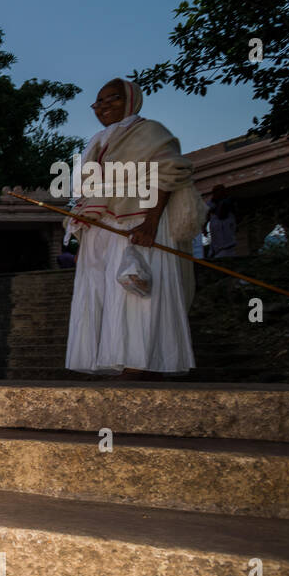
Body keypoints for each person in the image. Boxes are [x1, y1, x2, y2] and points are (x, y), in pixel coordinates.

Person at [64, 77, 207, 378]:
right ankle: (120, 365)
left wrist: (151, 222)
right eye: (98, 102)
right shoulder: (97, 141)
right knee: (105, 294)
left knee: (136, 292)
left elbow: (171, 172)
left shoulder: (151, 131)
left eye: (111, 99)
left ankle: (139, 366)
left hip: (138, 223)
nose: (103, 107)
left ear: (131, 99)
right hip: (101, 229)